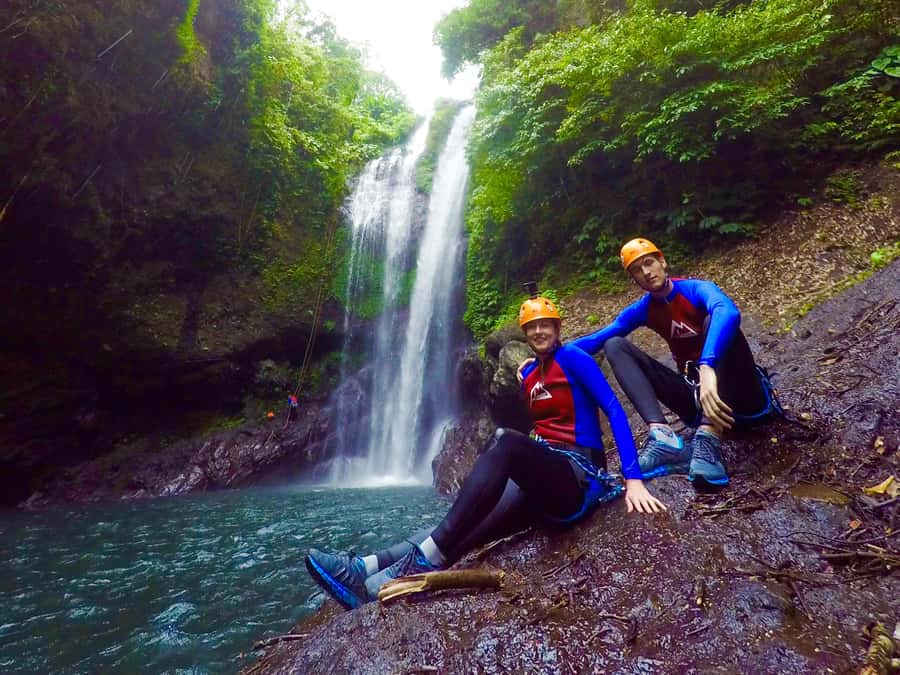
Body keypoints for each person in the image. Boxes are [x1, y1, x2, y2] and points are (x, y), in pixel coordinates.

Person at [304, 288, 665, 610]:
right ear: (525, 334)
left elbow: (615, 411)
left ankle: (425, 559)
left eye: (546, 325)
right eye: (532, 327)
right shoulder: (529, 373)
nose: (539, 331)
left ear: (557, 329)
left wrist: (633, 479)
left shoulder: (575, 358)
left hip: (577, 477)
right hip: (542, 486)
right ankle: (365, 572)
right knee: (464, 523)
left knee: (506, 440)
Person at [564, 237, 781, 492]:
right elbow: (597, 339)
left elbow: (728, 311)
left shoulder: (696, 289)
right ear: (634, 278)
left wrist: (708, 365)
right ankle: (664, 439)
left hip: (743, 399)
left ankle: (708, 436)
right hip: (697, 399)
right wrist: (547, 355)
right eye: (637, 269)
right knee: (614, 344)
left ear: (662, 262)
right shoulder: (644, 309)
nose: (646, 272)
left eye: (649, 263)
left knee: (716, 321)